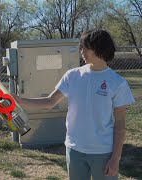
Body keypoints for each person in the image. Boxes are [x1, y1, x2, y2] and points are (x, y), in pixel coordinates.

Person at [13, 29, 135, 180]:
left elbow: (120, 125)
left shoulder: (117, 82)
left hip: (103, 151)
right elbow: (50, 102)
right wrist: (19, 100)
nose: (81, 51)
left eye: (85, 47)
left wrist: (115, 159)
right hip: (74, 148)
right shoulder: (72, 75)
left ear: (99, 48)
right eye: (81, 47)